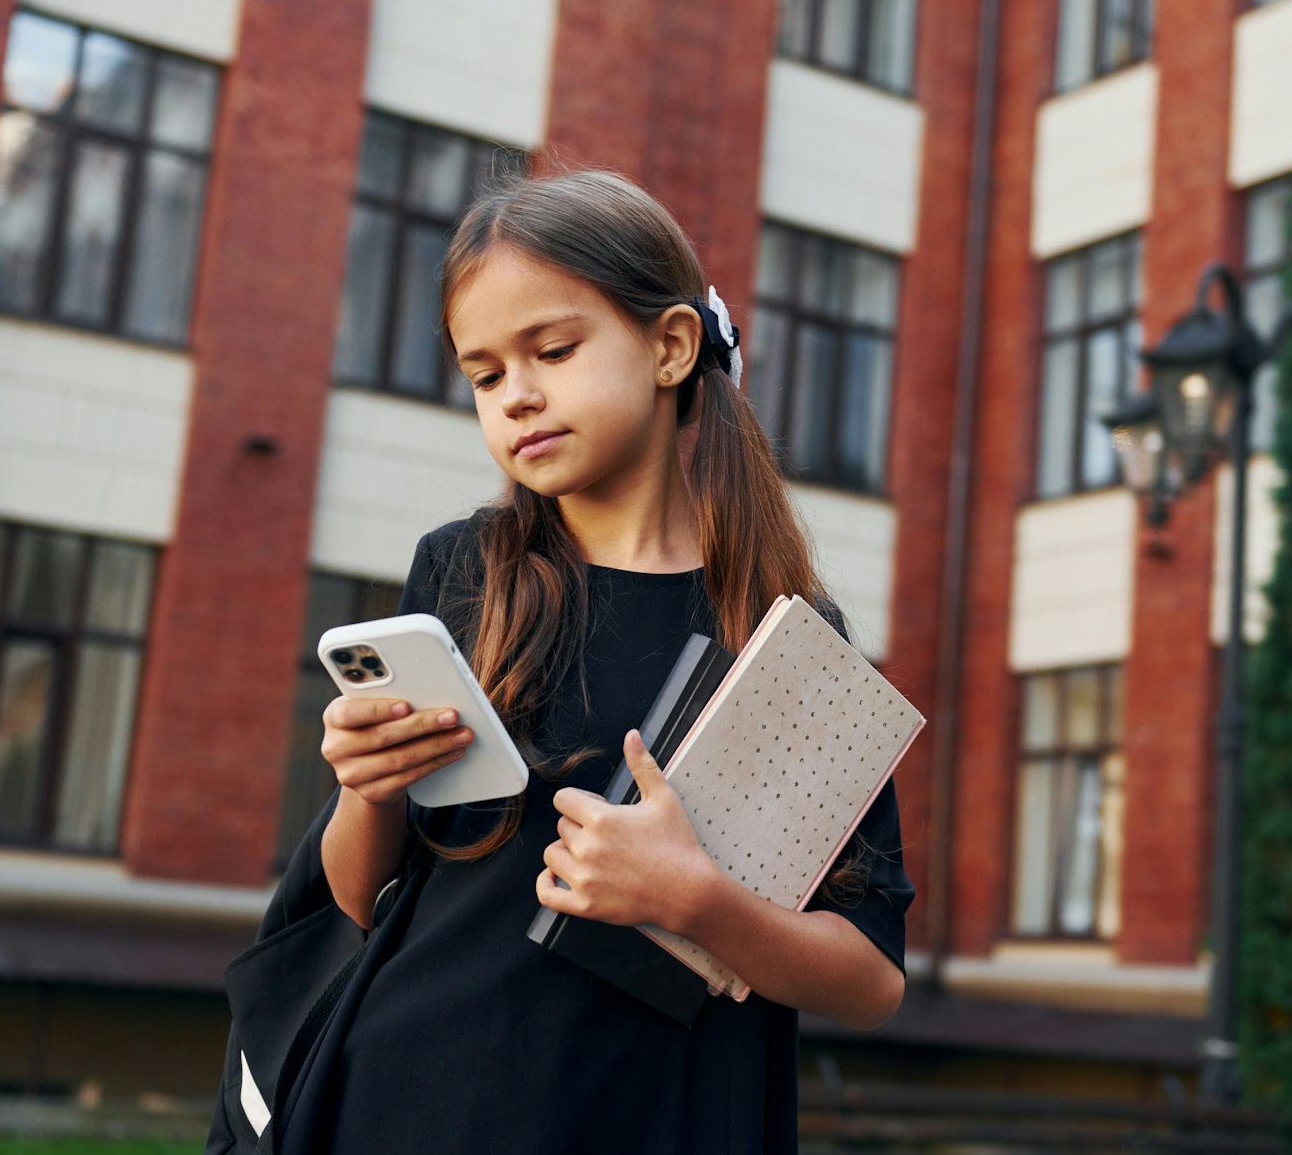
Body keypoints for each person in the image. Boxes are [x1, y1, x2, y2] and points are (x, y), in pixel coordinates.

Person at [203, 169, 914, 1154]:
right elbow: (360, 898)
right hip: (405, 1096)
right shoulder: (464, 571)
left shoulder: (785, 639)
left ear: (668, 346)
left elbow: (871, 976)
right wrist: (366, 792)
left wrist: (692, 899)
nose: (518, 396)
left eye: (553, 349)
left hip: (649, 1113)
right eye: (484, 374)